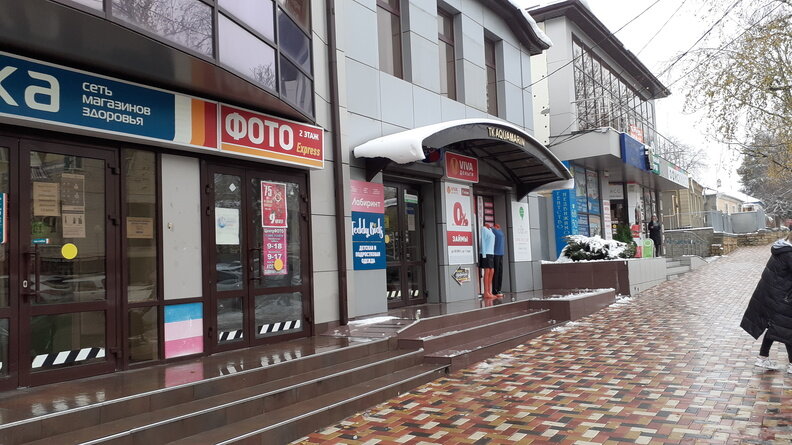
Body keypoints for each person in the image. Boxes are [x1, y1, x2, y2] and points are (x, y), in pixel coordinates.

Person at [741, 232, 792, 372]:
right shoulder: (789, 254)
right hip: (780, 296)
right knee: (786, 327)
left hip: (774, 293)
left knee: (778, 327)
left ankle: (762, 357)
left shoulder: (782, 248)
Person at [479, 223, 495, 299]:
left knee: (492, 271)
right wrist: (484, 255)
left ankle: (489, 291)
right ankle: (486, 292)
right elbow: (483, 241)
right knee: (487, 272)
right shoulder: (484, 229)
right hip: (486, 253)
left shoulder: (490, 230)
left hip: (491, 253)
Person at [491, 224, 505, 297]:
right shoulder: (492, 230)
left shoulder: (500, 230)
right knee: (496, 272)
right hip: (495, 253)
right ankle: (494, 290)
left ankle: (499, 289)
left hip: (501, 253)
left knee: (500, 272)